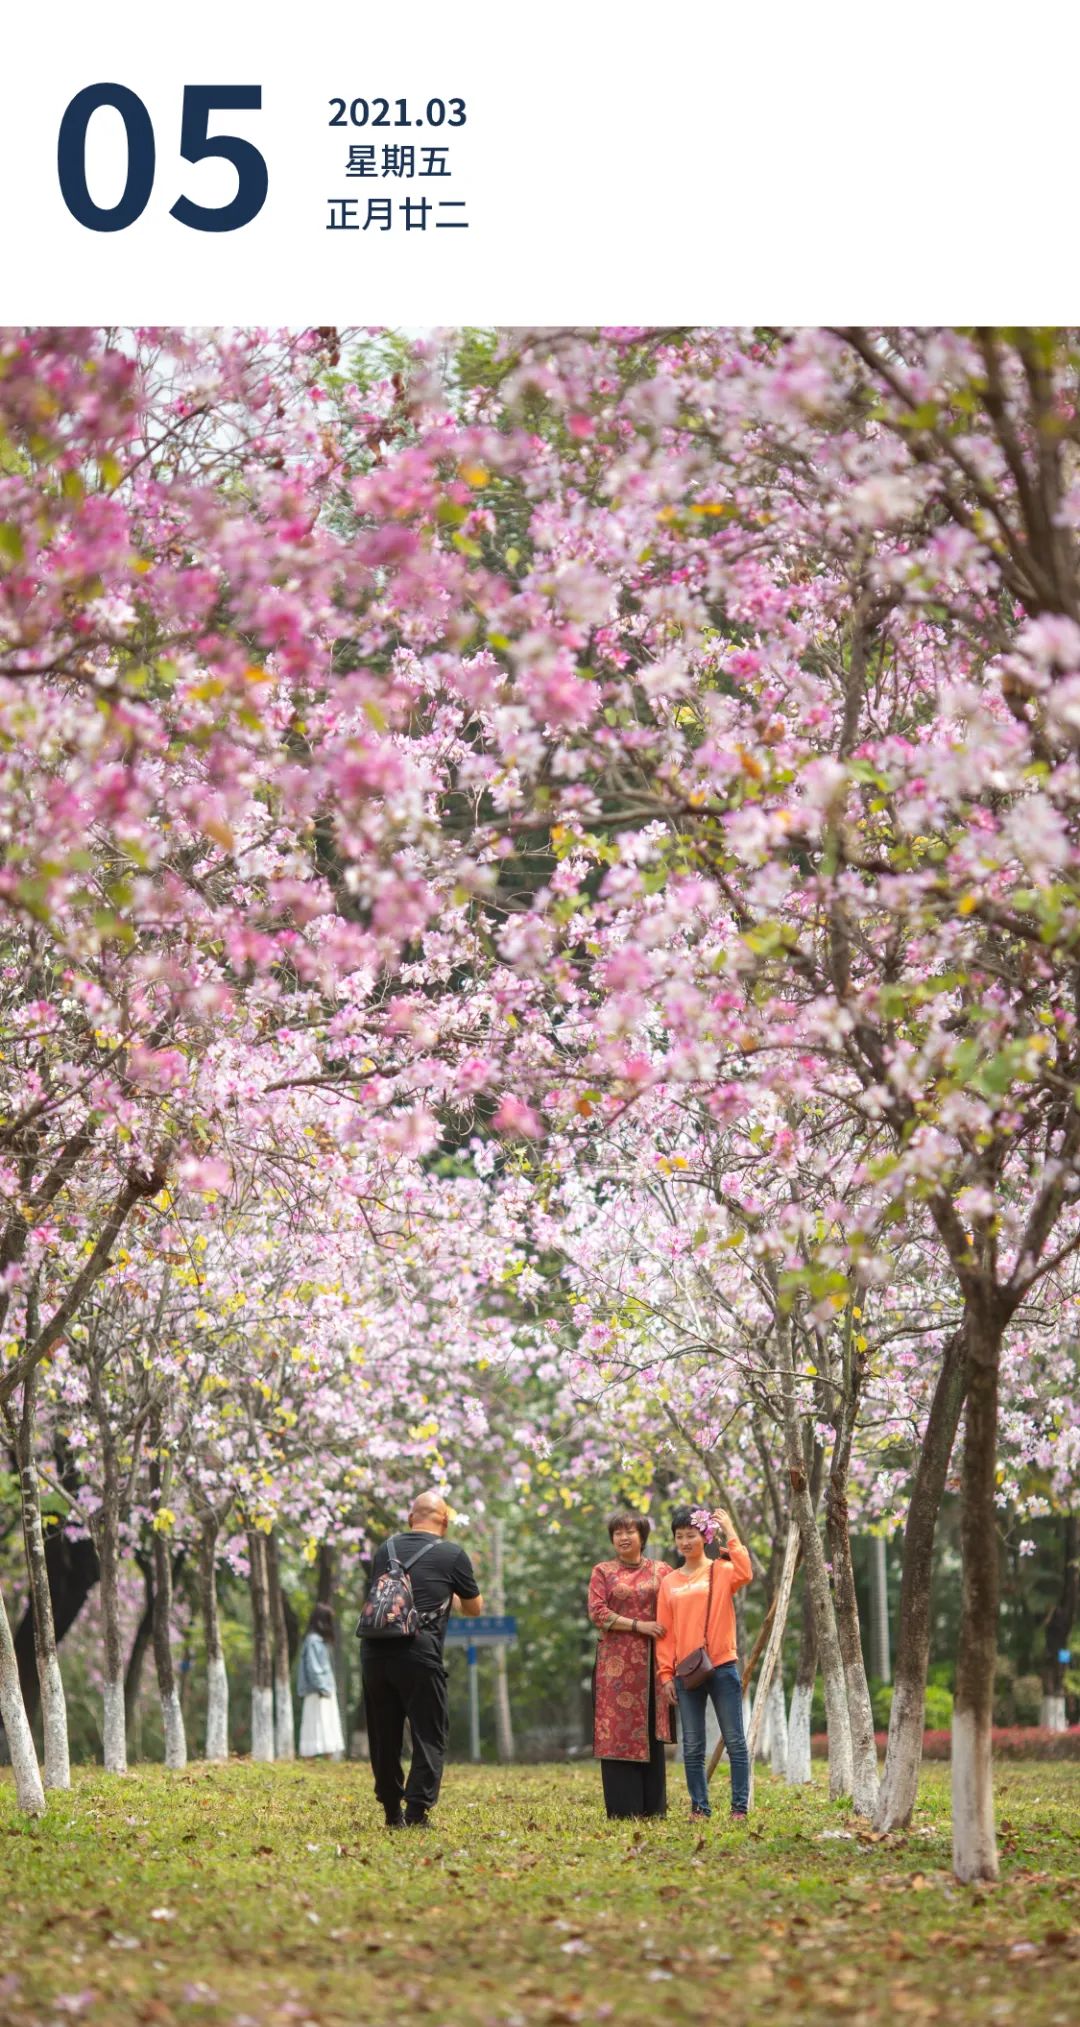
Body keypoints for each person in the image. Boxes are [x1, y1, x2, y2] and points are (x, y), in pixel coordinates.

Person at [359, 1489, 483, 1829]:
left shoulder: (387, 1549)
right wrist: (452, 1594)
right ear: (444, 1522)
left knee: (385, 1735)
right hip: (418, 1651)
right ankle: (416, 1812)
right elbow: (474, 1608)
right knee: (429, 1732)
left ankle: (390, 1813)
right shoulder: (453, 1554)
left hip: (374, 1649)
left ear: (411, 1518)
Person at [656, 1506, 752, 1822]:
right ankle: (700, 1807)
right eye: (679, 1536)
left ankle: (739, 1808)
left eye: (691, 1535)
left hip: (722, 1664)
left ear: (705, 1537)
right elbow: (665, 1633)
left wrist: (731, 1532)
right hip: (686, 1671)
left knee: (735, 1740)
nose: (685, 1542)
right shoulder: (668, 1582)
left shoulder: (721, 1570)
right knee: (693, 1745)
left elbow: (747, 1572)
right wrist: (666, 1674)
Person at [588, 1509, 672, 1819]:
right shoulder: (603, 1571)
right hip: (615, 1666)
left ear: (642, 1536)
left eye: (630, 1531)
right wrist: (639, 1626)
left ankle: (654, 1807)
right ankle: (623, 1809)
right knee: (617, 1731)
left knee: (651, 1731)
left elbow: (678, 1602)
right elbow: (598, 1612)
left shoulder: (662, 1571)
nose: (623, 1537)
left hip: (653, 1664)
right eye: (617, 1533)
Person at [296, 1602, 346, 1759]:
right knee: (317, 1725)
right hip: (318, 1690)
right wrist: (323, 1687)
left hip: (324, 1689)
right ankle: (311, 1759)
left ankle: (327, 1759)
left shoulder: (318, 1641)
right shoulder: (313, 1641)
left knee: (325, 1724)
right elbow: (314, 1668)